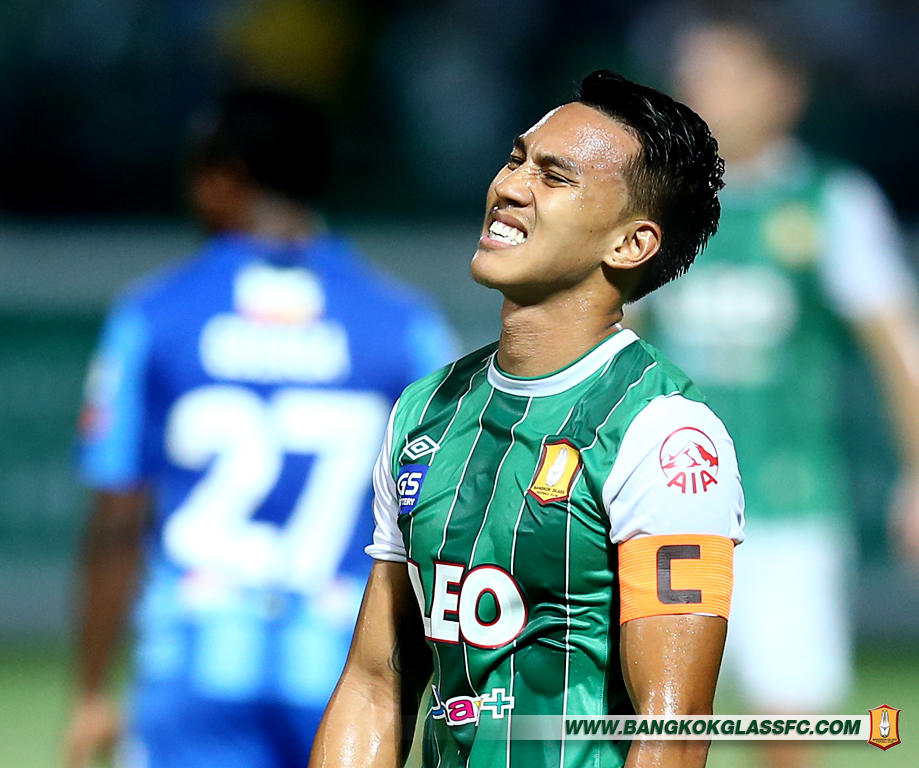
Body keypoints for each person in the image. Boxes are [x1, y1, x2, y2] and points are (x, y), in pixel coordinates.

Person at [310, 70, 744, 768]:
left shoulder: (662, 437)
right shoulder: (425, 411)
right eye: (516, 160)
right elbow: (376, 684)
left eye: (554, 176)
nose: (510, 187)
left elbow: (673, 724)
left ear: (630, 244)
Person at [64, 89, 458, 768]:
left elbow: (117, 516)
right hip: (342, 668)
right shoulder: (404, 324)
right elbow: (447, 511)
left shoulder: (154, 314)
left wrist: (92, 690)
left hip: (195, 659)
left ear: (224, 179)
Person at [635, 9, 919, 768]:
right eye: (693, 76)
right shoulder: (652, 201)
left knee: (787, 726)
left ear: (782, 90)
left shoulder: (831, 202)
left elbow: (898, 343)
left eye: (726, 76)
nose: (705, 93)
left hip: (790, 503)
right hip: (666, 506)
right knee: (654, 722)